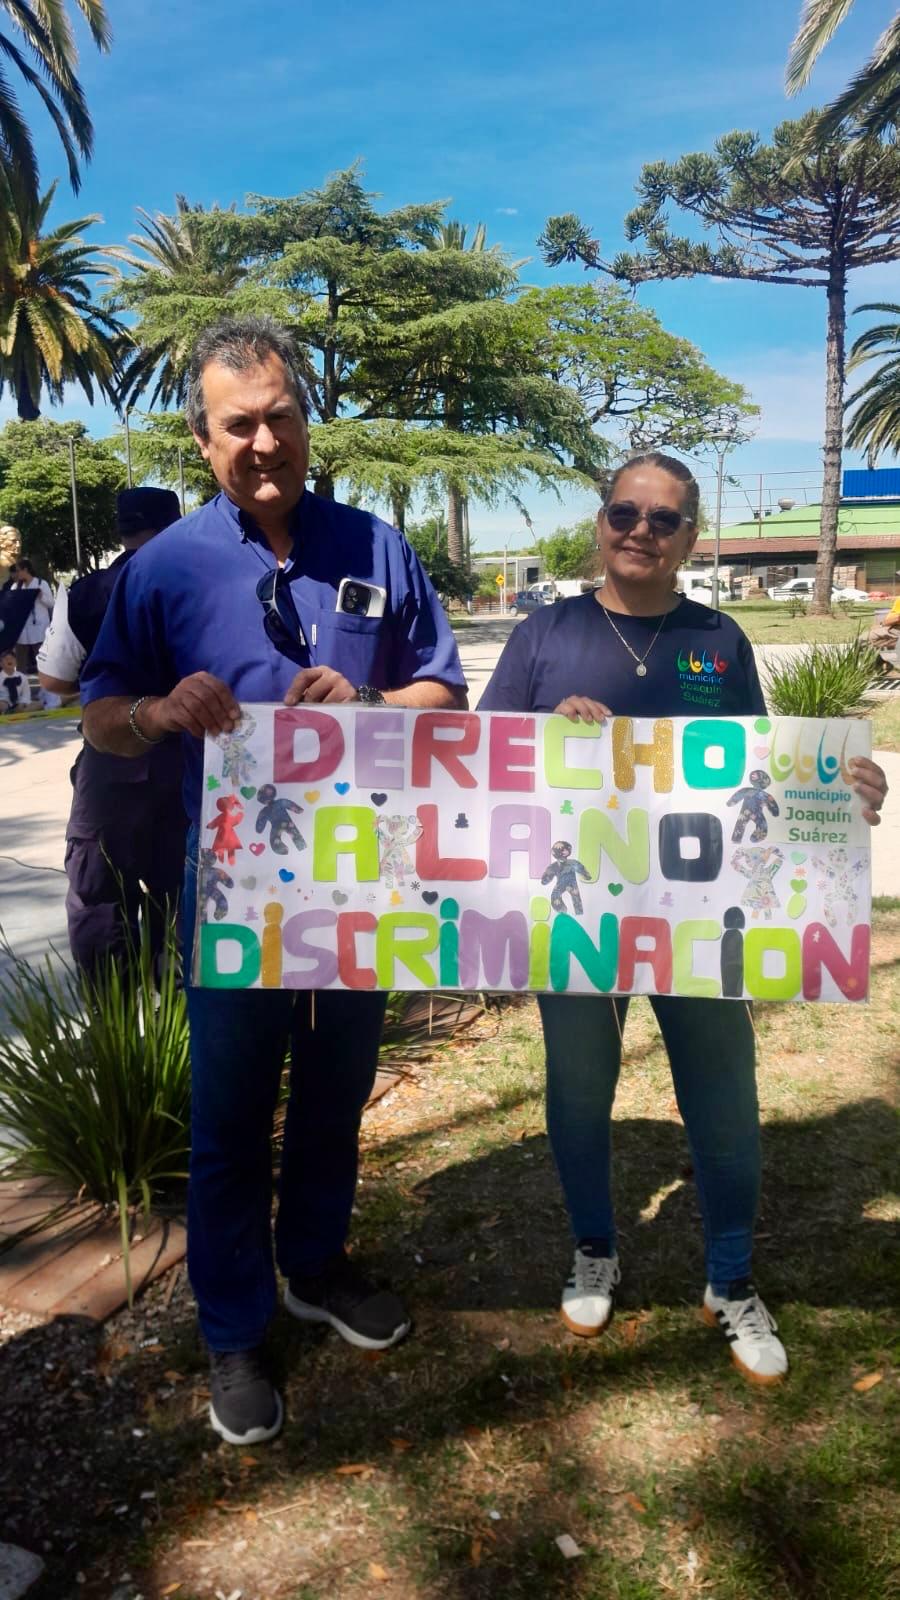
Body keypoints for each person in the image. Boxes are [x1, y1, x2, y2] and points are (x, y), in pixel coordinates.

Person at [80, 316, 468, 1447]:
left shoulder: (377, 546)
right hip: (234, 906)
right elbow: (101, 717)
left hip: (365, 892)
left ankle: (314, 1266)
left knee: (339, 1094)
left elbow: (444, 696)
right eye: (237, 424)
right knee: (229, 1118)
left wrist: (377, 709)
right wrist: (156, 713)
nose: (263, 441)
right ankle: (235, 1328)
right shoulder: (162, 569)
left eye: (280, 417)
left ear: (306, 420)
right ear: (204, 440)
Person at [479, 451, 888, 1386]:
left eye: (664, 520)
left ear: (689, 538)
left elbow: (765, 774)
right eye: (626, 511)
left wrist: (842, 789)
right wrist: (551, 737)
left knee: (727, 1102)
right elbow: (486, 765)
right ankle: (594, 1248)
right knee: (579, 1093)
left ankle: (731, 1279)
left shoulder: (720, 640)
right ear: (601, 519)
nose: (641, 531)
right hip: (574, 911)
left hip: (701, 924)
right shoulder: (546, 635)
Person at [38, 488, 186, 973]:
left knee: (100, 892)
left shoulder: (85, 593)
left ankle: (115, 1024)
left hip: (112, 760)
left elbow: (55, 679)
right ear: (176, 524)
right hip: (193, 760)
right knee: (186, 887)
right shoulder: (202, 587)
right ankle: (185, 1016)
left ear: (121, 532)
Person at [10, 558, 54, 674]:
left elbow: (51, 604)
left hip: (39, 628)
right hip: (22, 629)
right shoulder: (15, 587)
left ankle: (46, 690)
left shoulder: (41, 583)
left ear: (26, 570)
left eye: (19, 571)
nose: (17, 574)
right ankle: (20, 687)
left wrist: (41, 596)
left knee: (42, 660)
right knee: (21, 662)